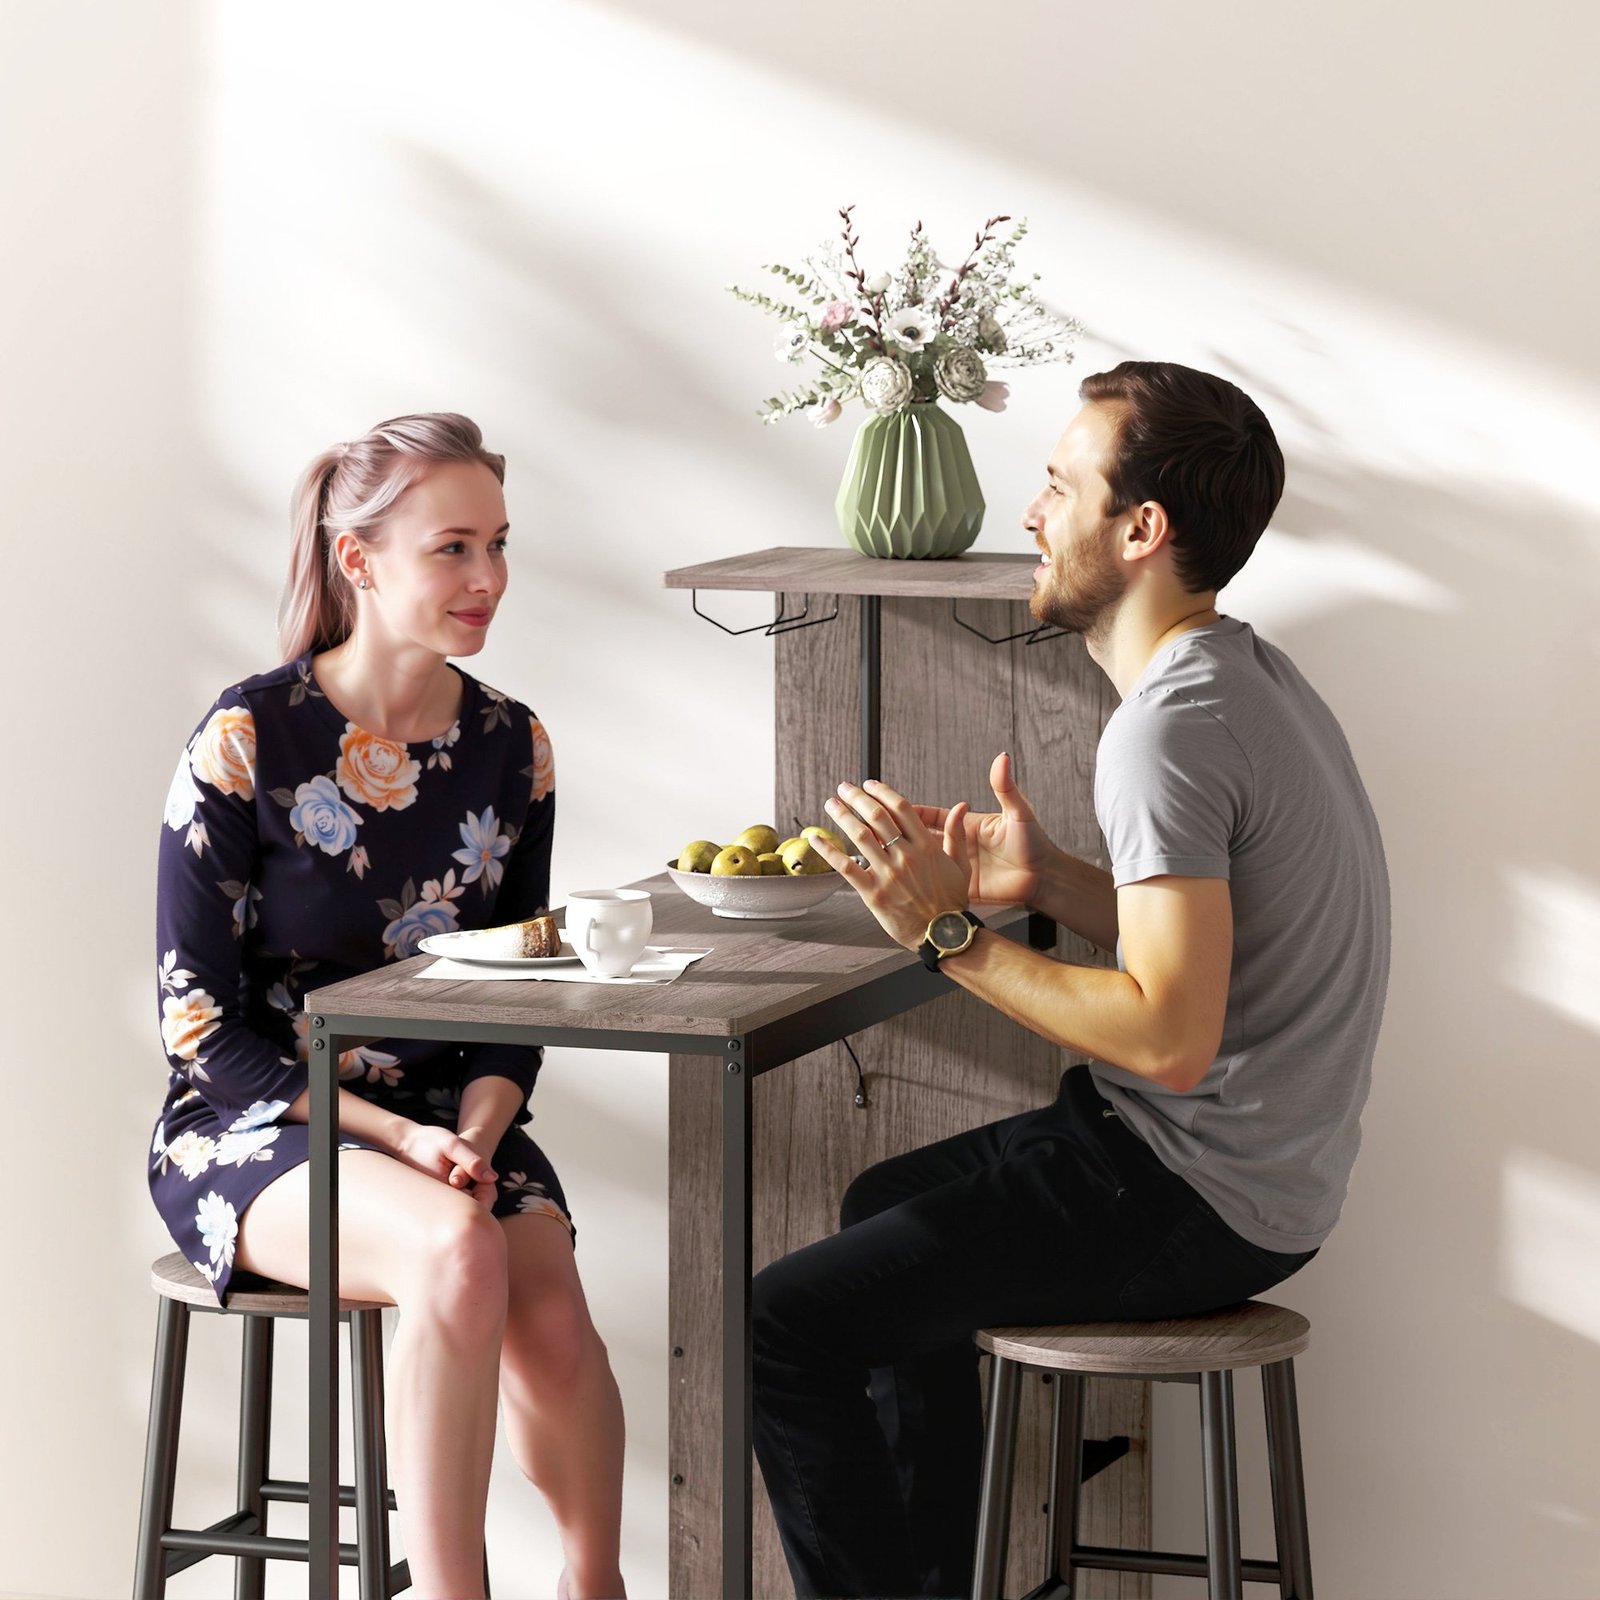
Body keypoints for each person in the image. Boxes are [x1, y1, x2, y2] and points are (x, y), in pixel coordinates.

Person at [750, 361, 1391, 1598]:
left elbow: (1167, 1040)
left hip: (1194, 1191)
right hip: (1258, 1169)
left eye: (1057, 485)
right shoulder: (1246, 677)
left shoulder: (1166, 731)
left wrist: (945, 933)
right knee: (880, 1198)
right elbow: (1220, 945)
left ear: (1139, 528)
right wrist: (1045, 880)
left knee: (785, 1324)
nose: (1031, 513)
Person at [150, 414, 626, 1600]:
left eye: (498, 544)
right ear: (358, 560)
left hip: (450, 1120)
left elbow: (517, 984)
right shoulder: (248, 738)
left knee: (549, 1312)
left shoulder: (514, 745)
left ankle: (596, 1586)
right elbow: (199, 1029)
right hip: (258, 1124)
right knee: (461, 1253)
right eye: (452, 548)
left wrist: (472, 1129)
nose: (487, 578)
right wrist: (401, 1141)